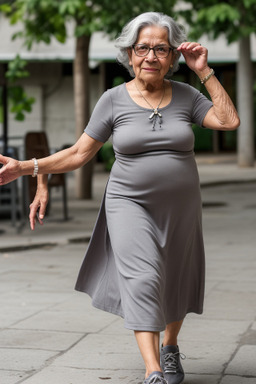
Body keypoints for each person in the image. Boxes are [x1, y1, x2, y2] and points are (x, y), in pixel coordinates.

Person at [0, 12, 239, 384]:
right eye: (143, 48)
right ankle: (153, 370)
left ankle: (170, 348)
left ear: (173, 57)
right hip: (129, 202)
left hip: (181, 206)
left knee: (174, 276)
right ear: (129, 54)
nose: (151, 56)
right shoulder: (113, 100)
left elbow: (228, 122)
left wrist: (204, 71)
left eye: (161, 48)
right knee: (144, 278)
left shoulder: (188, 95)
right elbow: (79, 153)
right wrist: (28, 167)